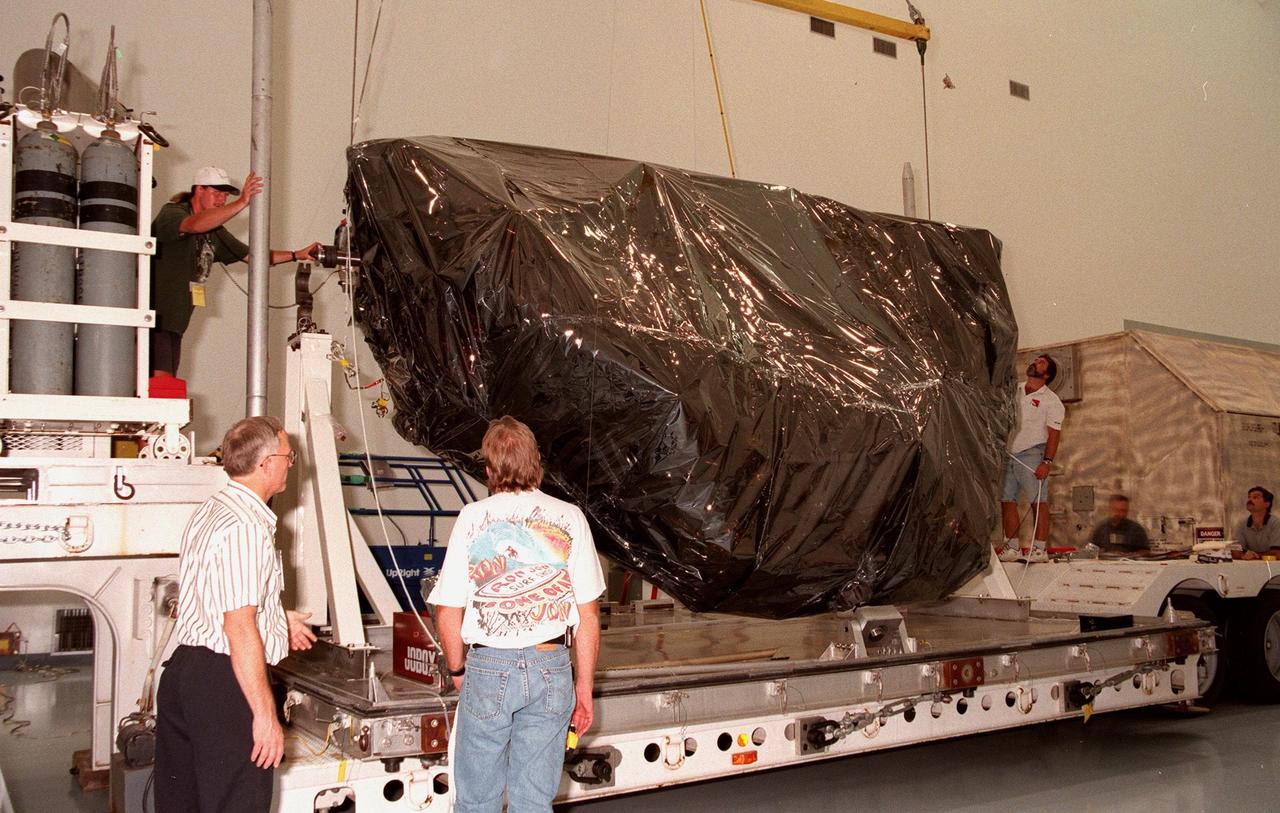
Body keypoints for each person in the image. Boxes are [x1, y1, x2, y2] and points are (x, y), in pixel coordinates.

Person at [429, 416, 605, 813]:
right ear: (537, 462)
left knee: (478, 800)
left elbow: (447, 610)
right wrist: (584, 687)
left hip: (490, 665)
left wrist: (458, 669)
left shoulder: (472, 518)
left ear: (489, 469)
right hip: (552, 666)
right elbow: (589, 616)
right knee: (533, 800)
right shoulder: (571, 517)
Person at [155, 416, 317, 812]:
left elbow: (219, 600)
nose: (291, 463)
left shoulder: (213, 510)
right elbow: (239, 626)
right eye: (287, 455)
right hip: (225, 684)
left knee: (184, 803)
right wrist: (264, 716)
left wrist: (279, 620)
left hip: (184, 673)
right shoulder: (247, 526)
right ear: (265, 465)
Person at [150, 167, 320, 376]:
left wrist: (296, 254)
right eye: (217, 193)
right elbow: (193, 225)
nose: (221, 199)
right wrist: (241, 203)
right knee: (160, 386)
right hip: (153, 319)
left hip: (175, 324)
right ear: (199, 190)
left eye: (225, 195)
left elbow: (253, 256)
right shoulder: (173, 212)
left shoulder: (214, 232)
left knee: (165, 387)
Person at [997, 354, 1064, 563]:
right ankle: (1012, 546)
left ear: (1048, 374)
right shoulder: (1015, 390)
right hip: (1009, 452)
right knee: (1007, 500)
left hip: (1033, 453)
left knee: (1038, 501)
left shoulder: (1051, 401)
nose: (1035, 362)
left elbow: (1054, 434)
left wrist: (1047, 462)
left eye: (1041, 362)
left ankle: (1039, 549)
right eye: (1035, 360)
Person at [1235, 486, 1280, 560]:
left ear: (1267, 504)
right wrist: (1242, 556)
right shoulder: (1241, 524)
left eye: (1255, 497)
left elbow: (1277, 554)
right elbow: (1235, 551)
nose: (1250, 500)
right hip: (1250, 568)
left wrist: (1255, 556)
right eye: (1249, 497)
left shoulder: (1276, 524)